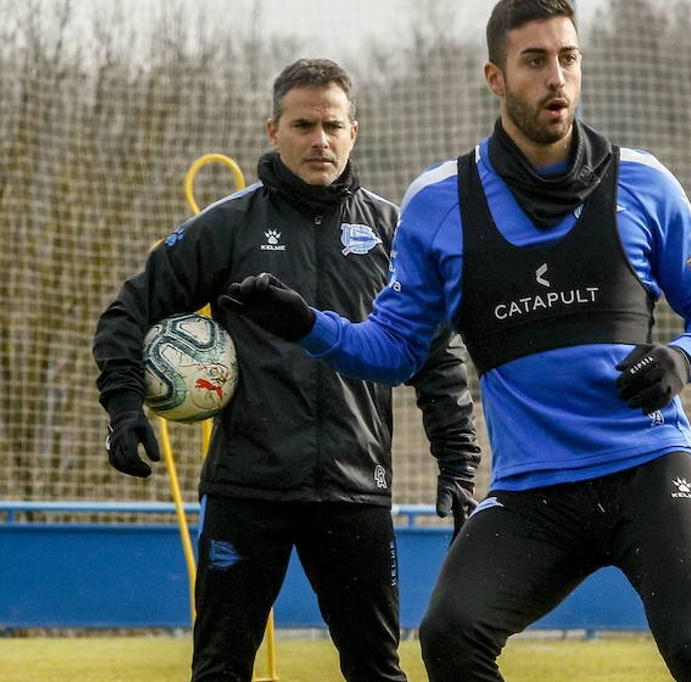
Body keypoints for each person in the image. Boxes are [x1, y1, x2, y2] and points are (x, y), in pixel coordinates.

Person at [220, 0, 691, 682]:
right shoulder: (441, 202)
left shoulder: (645, 182)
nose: (555, 76)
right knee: (451, 634)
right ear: (496, 78)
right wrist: (308, 325)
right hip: (534, 491)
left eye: (568, 58)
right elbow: (395, 350)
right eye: (534, 60)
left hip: (647, 469)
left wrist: (683, 357)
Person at [92, 58, 480, 682]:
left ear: (356, 130)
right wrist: (124, 406)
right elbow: (127, 312)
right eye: (303, 125)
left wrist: (458, 463)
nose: (319, 139)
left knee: (377, 669)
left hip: (356, 488)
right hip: (248, 489)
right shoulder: (227, 226)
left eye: (332, 124)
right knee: (219, 669)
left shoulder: (391, 233)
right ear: (273, 130)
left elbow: (436, 358)